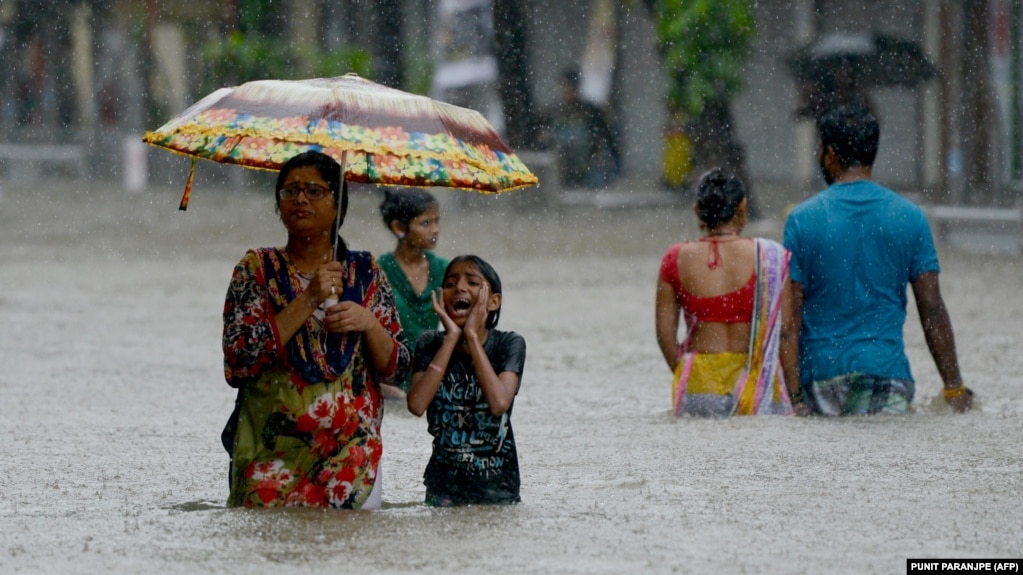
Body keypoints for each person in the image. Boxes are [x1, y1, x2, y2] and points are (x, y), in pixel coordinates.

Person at [221, 151, 410, 509]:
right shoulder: (256, 269)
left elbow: (397, 368)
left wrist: (368, 323)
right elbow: (239, 359)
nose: (300, 199)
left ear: (338, 204)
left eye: (314, 190)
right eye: (289, 192)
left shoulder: (366, 271)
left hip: (351, 453)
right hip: (270, 450)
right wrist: (309, 297)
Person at [783, 104, 973, 415]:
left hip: (821, 380)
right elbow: (932, 309)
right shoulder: (910, 218)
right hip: (887, 376)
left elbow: (790, 322)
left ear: (830, 154)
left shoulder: (802, 220)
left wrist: (794, 399)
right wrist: (954, 388)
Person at [655, 168, 805, 417]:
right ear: (743, 207)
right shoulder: (771, 257)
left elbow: (664, 336)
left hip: (700, 382)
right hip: (758, 381)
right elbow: (787, 333)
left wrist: (685, 373)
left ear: (697, 210)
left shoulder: (675, 258)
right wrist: (796, 394)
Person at [406, 255, 526, 506]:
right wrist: (451, 338)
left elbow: (499, 402)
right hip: (442, 489)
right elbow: (416, 404)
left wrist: (471, 336)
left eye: (472, 282)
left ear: (493, 301)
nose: (459, 287)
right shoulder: (429, 343)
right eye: (449, 284)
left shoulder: (509, 344)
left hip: (497, 490)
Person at [377, 188, 449, 394]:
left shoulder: (446, 271)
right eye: (426, 223)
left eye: (437, 221)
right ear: (399, 227)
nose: (435, 229)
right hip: (389, 383)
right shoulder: (378, 272)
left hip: (429, 376)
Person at [542, 67, 621, 189]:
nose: (568, 91)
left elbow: (607, 138)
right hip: (561, 170)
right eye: (565, 87)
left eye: (571, 88)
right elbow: (542, 140)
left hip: (588, 168)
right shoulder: (553, 112)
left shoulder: (590, 111)